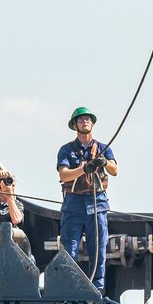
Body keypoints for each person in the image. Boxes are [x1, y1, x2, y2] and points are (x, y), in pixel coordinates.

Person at [56, 106, 117, 293]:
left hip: (97, 204)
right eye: (81, 119)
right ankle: (70, 290)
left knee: (98, 250)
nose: (85, 121)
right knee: (70, 250)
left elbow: (114, 170)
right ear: (75, 124)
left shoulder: (102, 148)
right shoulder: (66, 150)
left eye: (88, 119)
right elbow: (64, 175)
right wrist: (84, 169)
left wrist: (103, 162)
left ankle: (96, 291)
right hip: (73, 205)